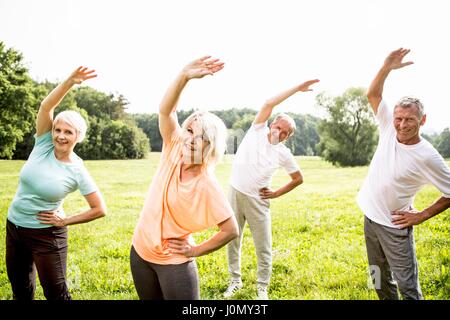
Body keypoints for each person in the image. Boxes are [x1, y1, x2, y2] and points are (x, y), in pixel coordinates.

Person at [130, 56, 239, 300]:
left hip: (173, 263)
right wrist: (184, 76)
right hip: (139, 252)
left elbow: (230, 229)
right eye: (189, 130)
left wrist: (195, 250)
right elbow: (166, 110)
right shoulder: (173, 148)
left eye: (200, 136)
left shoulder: (207, 184)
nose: (190, 139)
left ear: (210, 146)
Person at [5, 66, 107, 300]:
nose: (60, 136)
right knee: (20, 290)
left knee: (56, 294)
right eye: (58, 130)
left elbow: (100, 208)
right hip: (15, 228)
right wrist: (69, 82)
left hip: (46, 235)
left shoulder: (77, 169)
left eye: (68, 132)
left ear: (78, 136)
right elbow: (46, 106)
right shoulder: (43, 145)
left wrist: (66, 220)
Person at [358, 48, 450, 300]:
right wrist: (386, 66)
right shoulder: (388, 126)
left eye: (409, 119)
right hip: (370, 219)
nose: (402, 125)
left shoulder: (427, 155)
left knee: (407, 287)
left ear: (423, 120)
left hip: (395, 226)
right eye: (399, 118)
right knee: (377, 277)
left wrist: (423, 215)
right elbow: (373, 93)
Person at [224, 79, 319, 300]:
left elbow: (298, 179)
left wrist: (276, 193)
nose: (279, 132)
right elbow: (268, 102)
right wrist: (296, 89)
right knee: (231, 239)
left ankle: (262, 288)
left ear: (288, 136)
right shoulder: (257, 130)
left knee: (263, 247)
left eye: (285, 132)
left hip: (258, 201)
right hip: (235, 193)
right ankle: (234, 282)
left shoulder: (284, 154)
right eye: (278, 127)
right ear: (272, 124)